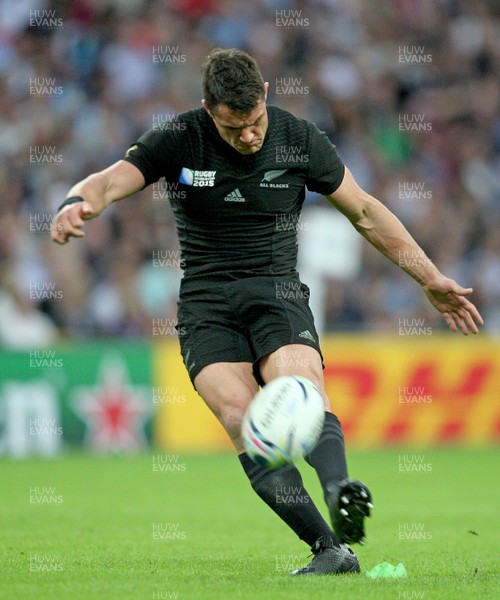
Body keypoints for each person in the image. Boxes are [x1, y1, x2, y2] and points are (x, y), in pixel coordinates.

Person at [51, 48, 483, 575]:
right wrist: (75, 203)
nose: (250, 137)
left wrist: (429, 276)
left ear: (266, 98)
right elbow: (110, 181)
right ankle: (331, 550)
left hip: (276, 290)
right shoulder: (179, 138)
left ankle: (339, 489)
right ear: (209, 108)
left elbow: (366, 211)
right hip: (206, 303)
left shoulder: (298, 138)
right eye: (236, 129)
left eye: (255, 122)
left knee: (299, 387)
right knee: (242, 419)